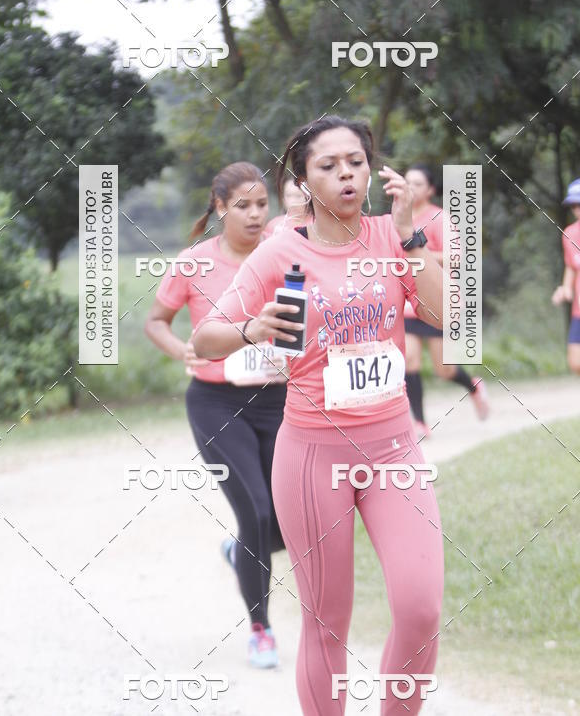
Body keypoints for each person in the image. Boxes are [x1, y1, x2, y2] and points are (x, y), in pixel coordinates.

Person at [193, 116, 444, 715]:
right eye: (328, 166)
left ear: (370, 167)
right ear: (303, 181)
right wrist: (251, 328)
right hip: (311, 455)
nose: (345, 174)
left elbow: (444, 317)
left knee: (421, 608)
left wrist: (411, 236)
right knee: (327, 622)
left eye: (355, 161)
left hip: (393, 450)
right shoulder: (281, 251)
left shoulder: (390, 237)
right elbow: (205, 338)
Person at [144, 162, 287, 668]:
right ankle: (261, 629)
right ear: (221, 207)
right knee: (255, 510)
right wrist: (181, 348)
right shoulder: (195, 262)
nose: (254, 214)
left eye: (261, 204)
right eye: (242, 205)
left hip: (280, 398)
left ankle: (239, 551)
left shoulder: (285, 245)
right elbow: (156, 321)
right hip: (217, 402)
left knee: (287, 521)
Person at [404, 164, 489, 436]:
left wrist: (418, 250)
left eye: (417, 183)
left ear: (430, 190)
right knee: (410, 361)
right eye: (407, 182)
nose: (410, 188)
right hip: (408, 301)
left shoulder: (439, 218)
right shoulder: (396, 218)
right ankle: (419, 423)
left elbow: (456, 257)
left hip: (439, 299)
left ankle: (473, 385)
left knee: (445, 369)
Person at [551, 177, 580, 375]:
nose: (577, 208)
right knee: (575, 362)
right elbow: (571, 266)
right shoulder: (569, 233)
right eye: (573, 204)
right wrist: (566, 289)